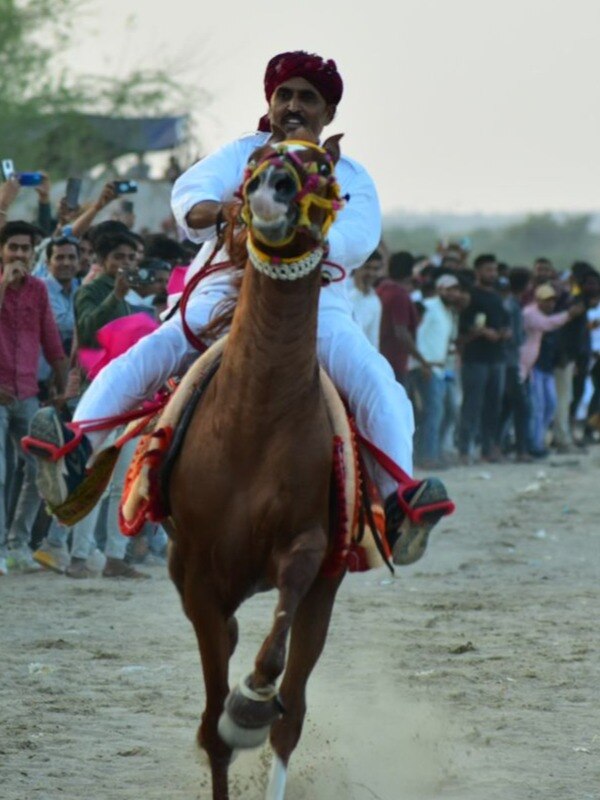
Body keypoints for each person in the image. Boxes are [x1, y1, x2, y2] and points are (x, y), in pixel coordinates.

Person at [27, 50, 452, 567]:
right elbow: (190, 200)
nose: (294, 105)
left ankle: (395, 503)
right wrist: (228, 210)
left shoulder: (352, 177)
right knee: (150, 352)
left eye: (307, 97)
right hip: (223, 291)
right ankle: (77, 457)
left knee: (377, 381)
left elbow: (355, 238)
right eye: (284, 95)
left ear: (329, 113)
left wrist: (291, 237)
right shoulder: (240, 153)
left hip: (313, 301)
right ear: (270, 102)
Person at [0, 221, 68, 574]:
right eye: (13, 247)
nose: (20, 255)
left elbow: (52, 339)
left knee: (39, 469)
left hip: (27, 393)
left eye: (26, 249)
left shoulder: (38, 289)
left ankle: (17, 543)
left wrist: (62, 382)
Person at [457, 254, 510, 464]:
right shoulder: (469, 296)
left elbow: (506, 324)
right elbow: (463, 328)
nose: (493, 274)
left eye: (494, 270)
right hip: (475, 359)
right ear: (478, 271)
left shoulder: (497, 297)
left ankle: (487, 450)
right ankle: (463, 451)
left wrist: (504, 333)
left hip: (496, 359)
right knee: (471, 405)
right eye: (489, 270)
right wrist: (481, 332)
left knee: (493, 407)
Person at [347, 248, 383, 348]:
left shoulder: (375, 301)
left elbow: (373, 340)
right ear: (356, 267)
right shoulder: (342, 292)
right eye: (367, 268)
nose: (371, 273)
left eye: (375, 269)